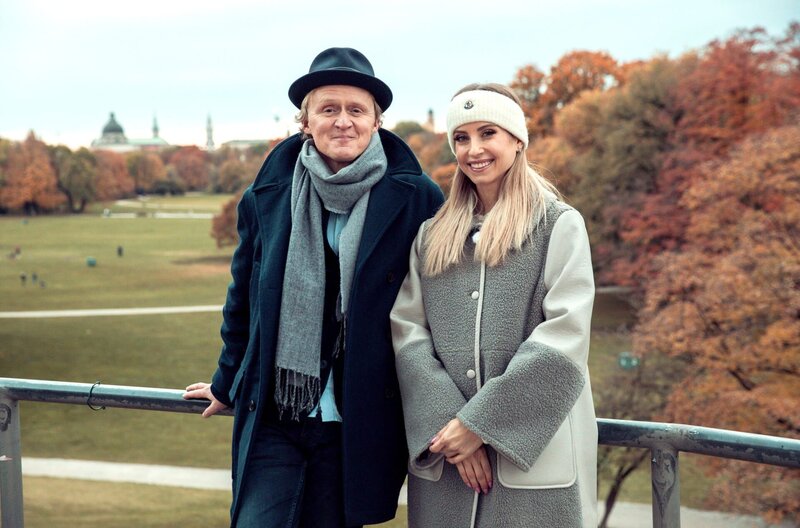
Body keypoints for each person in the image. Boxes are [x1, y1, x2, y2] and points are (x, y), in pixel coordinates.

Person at [183, 47, 444, 528]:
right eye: (328, 109)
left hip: (359, 419)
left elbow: (438, 310)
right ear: (305, 122)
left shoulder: (418, 198)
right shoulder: (267, 196)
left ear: (376, 122)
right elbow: (243, 299)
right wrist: (226, 382)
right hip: (276, 415)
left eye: (356, 110)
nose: (343, 121)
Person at [390, 83, 597, 527]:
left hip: (535, 461)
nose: (474, 150)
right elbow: (407, 334)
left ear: (517, 140)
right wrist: (453, 428)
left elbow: (566, 337)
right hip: (448, 462)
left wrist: (481, 425)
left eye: (488, 133)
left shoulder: (558, 225)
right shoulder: (431, 235)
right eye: (461, 138)